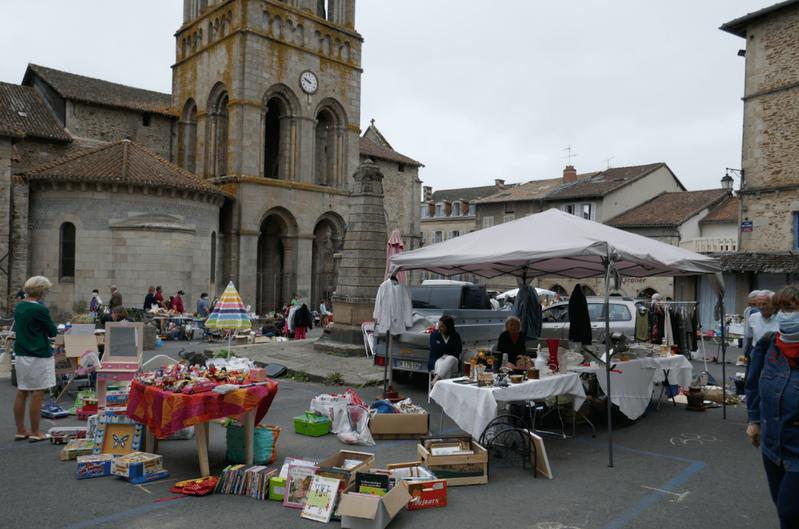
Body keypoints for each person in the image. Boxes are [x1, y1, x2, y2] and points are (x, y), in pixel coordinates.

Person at [745, 285, 799, 529]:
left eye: (795, 309)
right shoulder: (769, 345)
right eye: (785, 308)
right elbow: (754, 383)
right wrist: (754, 420)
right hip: (771, 446)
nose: (788, 314)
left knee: (789, 511)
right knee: (783, 508)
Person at [13, 276, 58, 442]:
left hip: (21, 353)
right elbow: (52, 331)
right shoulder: (40, 309)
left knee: (22, 390)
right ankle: (35, 431)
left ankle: (20, 430)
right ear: (42, 291)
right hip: (38, 354)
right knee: (38, 392)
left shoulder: (19, 307)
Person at [428, 315, 462, 385]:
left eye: (442, 326)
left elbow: (458, 350)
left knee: (450, 358)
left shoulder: (455, 336)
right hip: (438, 360)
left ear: (448, 327)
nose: (439, 328)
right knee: (446, 369)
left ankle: (436, 378)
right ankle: (441, 389)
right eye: (439, 325)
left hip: (453, 363)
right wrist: (449, 349)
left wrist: (443, 350)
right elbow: (434, 349)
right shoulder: (435, 334)